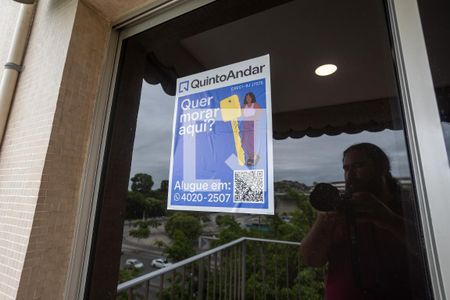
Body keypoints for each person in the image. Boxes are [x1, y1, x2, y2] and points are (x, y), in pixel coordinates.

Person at [300, 143, 426, 300]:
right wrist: (322, 220)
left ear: (382, 167)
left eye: (359, 166)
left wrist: (389, 219)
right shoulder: (339, 212)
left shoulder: (410, 205)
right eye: (346, 169)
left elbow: (433, 251)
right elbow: (311, 260)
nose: (350, 175)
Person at [241, 92, 261, 166]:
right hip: (246, 126)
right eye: (247, 97)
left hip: (254, 125)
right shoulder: (243, 106)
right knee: (245, 142)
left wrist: (253, 119)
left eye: (249, 97)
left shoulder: (255, 105)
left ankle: (255, 158)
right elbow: (241, 115)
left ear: (252, 98)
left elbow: (259, 114)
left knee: (252, 142)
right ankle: (250, 158)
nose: (248, 99)